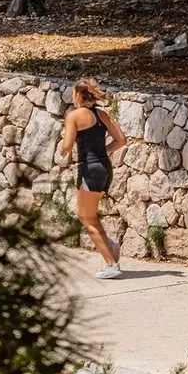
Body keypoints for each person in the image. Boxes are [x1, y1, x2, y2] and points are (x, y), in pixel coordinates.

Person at [58, 77, 128, 281]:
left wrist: (62, 149)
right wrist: (103, 152)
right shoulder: (102, 115)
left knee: (86, 218)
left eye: (73, 94)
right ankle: (111, 246)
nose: (73, 97)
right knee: (88, 215)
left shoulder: (74, 116)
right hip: (104, 168)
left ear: (79, 95)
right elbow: (121, 140)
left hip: (89, 169)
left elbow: (67, 146)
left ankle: (111, 264)